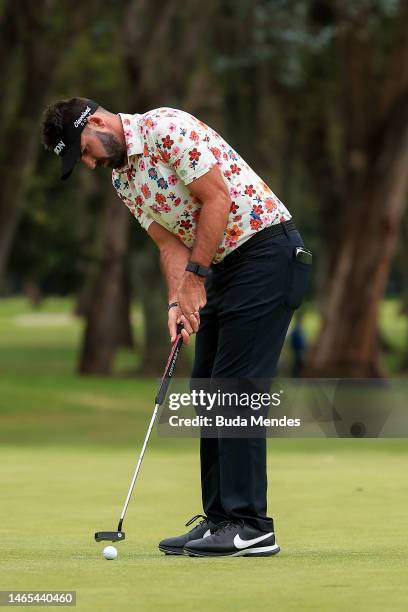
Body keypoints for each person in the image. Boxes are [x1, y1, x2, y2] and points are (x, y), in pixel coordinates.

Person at [41, 97, 311, 557]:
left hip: (267, 253)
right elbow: (169, 245)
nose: (87, 163)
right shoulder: (123, 180)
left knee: (233, 388)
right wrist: (177, 301)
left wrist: (195, 279)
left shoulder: (167, 128)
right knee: (206, 388)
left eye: (83, 151)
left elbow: (216, 199)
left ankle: (251, 524)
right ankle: (221, 519)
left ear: (99, 121)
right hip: (222, 266)